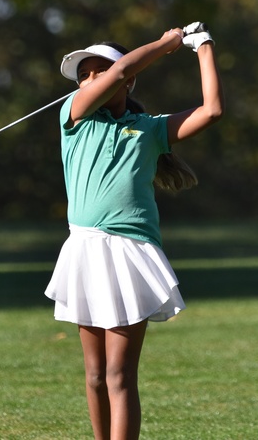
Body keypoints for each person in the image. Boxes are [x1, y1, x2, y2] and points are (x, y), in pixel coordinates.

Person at [44, 22, 224, 440]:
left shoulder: (149, 128)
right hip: (85, 249)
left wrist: (202, 46)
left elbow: (211, 111)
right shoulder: (74, 115)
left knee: (118, 375)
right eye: (85, 74)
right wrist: (165, 43)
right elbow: (122, 70)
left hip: (129, 253)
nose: (91, 79)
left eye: (99, 70)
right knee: (94, 375)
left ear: (128, 82)